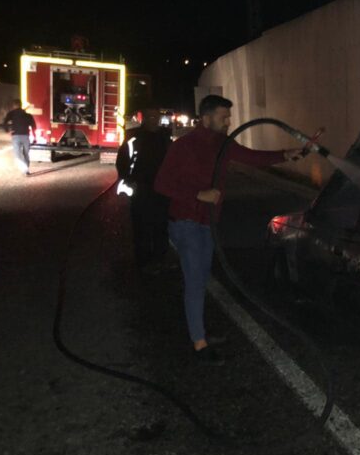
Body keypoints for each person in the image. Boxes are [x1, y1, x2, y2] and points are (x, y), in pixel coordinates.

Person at [154, 95, 303, 365]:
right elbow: (162, 183)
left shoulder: (223, 145)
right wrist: (198, 194)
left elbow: (251, 157)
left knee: (201, 279)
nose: (228, 122)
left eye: (228, 117)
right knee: (195, 282)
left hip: (206, 223)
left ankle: (199, 331)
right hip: (186, 223)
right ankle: (199, 344)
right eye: (223, 117)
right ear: (206, 118)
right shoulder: (184, 146)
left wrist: (284, 155)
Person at [116, 108, 172, 271]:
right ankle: (143, 262)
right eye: (150, 116)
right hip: (141, 190)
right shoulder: (133, 137)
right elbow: (122, 161)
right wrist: (128, 180)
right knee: (142, 227)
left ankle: (160, 258)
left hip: (162, 190)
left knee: (161, 226)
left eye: (156, 116)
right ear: (144, 118)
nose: (153, 119)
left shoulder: (165, 137)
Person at [3, 99, 36, 175]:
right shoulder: (27, 115)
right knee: (26, 153)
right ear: (20, 105)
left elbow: (5, 122)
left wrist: (7, 130)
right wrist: (34, 137)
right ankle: (26, 169)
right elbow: (33, 126)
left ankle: (25, 169)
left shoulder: (11, 113)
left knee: (18, 154)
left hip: (16, 136)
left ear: (14, 105)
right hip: (26, 136)